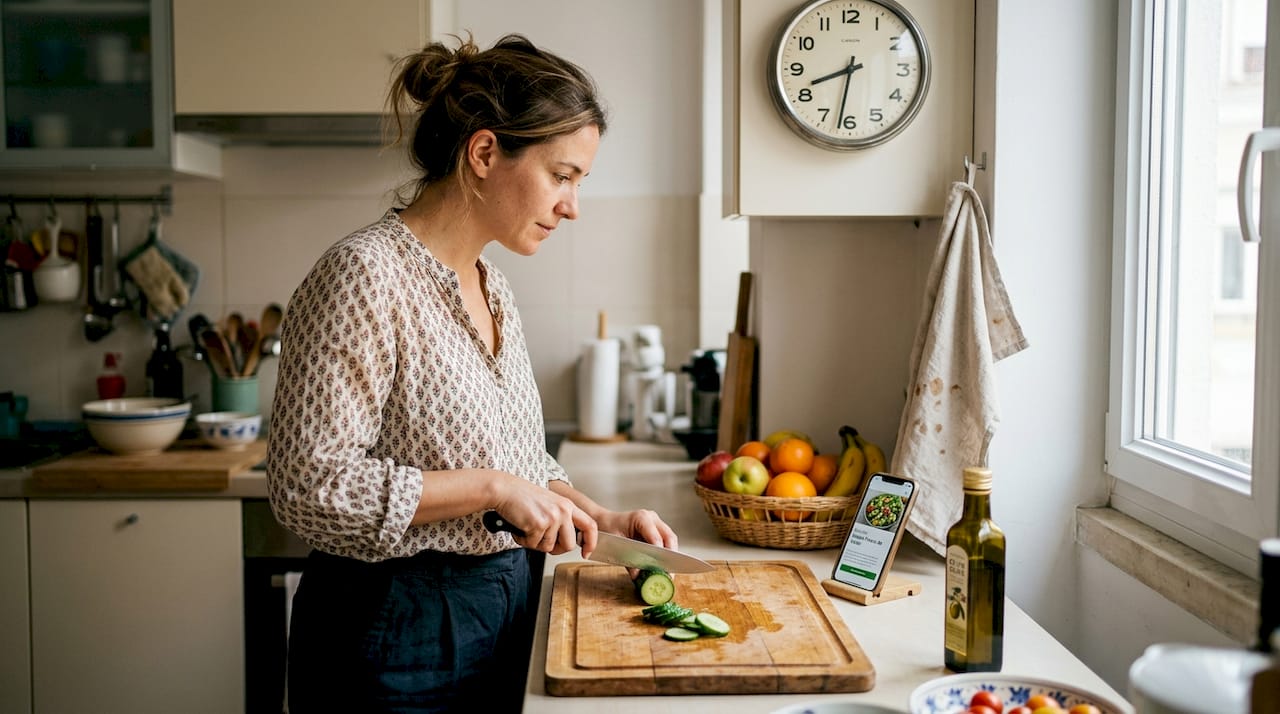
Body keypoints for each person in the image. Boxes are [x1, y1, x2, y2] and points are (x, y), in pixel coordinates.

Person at [266, 32, 679, 713]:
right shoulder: (364, 276)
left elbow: (519, 461)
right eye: (563, 175)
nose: (572, 205)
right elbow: (309, 488)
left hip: (501, 607)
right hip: (392, 631)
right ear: (485, 153)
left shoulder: (492, 285)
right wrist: (491, 488)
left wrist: (601, 520)